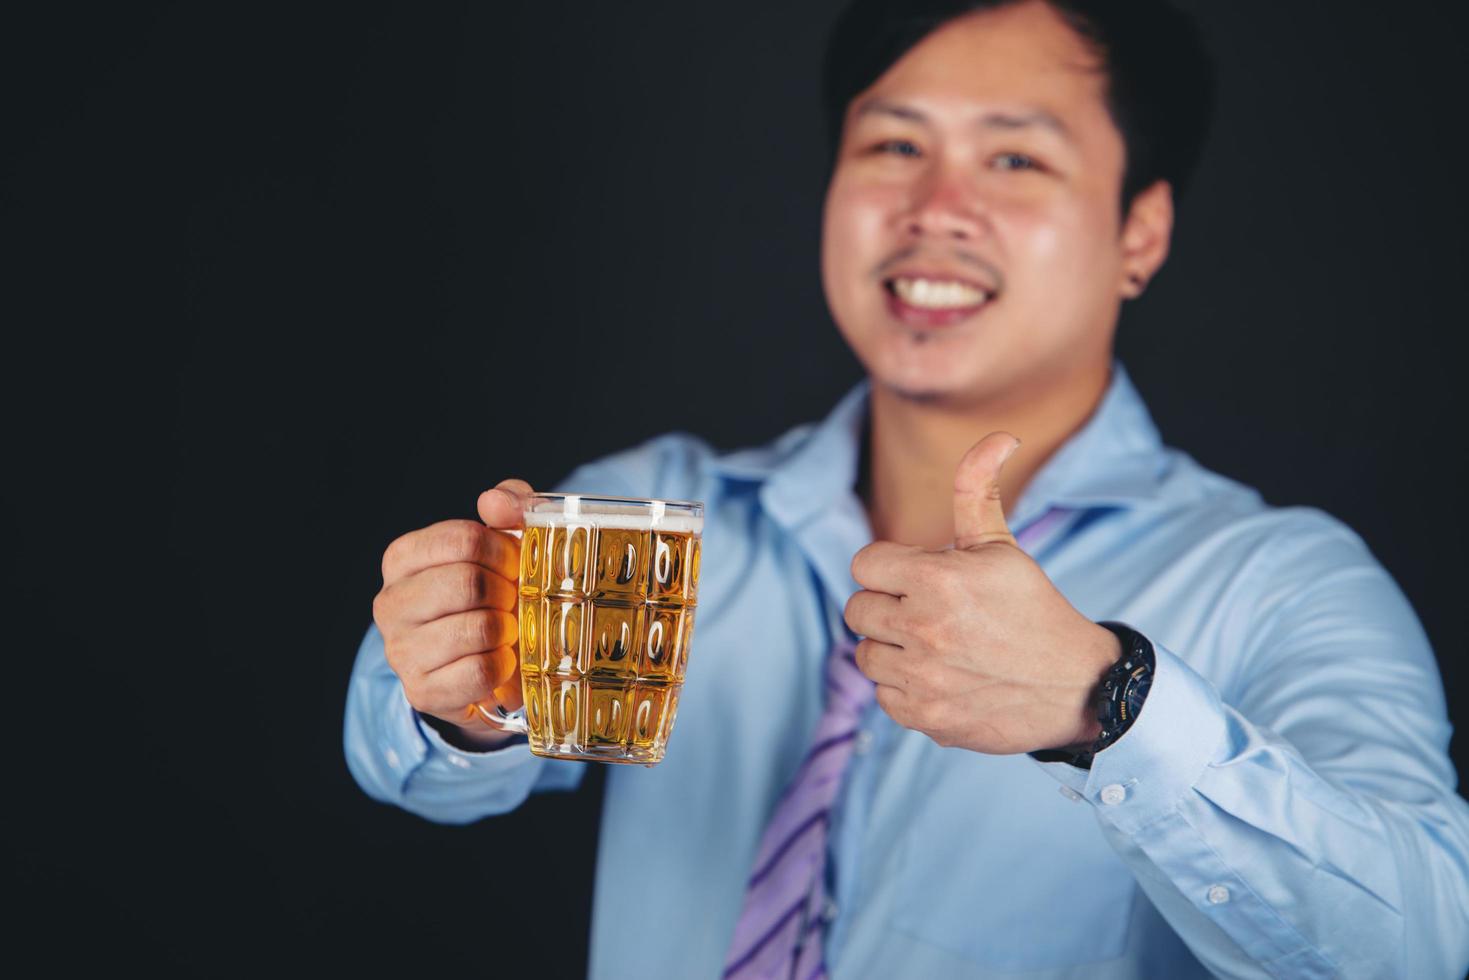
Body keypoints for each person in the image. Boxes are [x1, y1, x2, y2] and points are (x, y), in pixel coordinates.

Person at [344, 0, 1469, 976]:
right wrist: (460, 696)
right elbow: (420, 775)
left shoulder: (1276, 582)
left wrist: (1108, 705)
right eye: (891, 145)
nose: (934, 206)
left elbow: (1416, 944)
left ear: (1140, 231)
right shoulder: (656, 512)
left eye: (1014, 158)